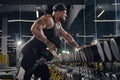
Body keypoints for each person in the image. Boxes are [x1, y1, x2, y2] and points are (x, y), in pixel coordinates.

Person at [16, 3, 83, 80]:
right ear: (57, 12)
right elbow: (34, 28)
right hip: (29, 53)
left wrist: (77, 46)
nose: (66, 15)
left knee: (45, 75)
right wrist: (48, 42)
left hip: (39, 56)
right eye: (65, 13)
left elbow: (66, 36)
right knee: (23, 77)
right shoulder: (48, 19)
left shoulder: (58, 25)